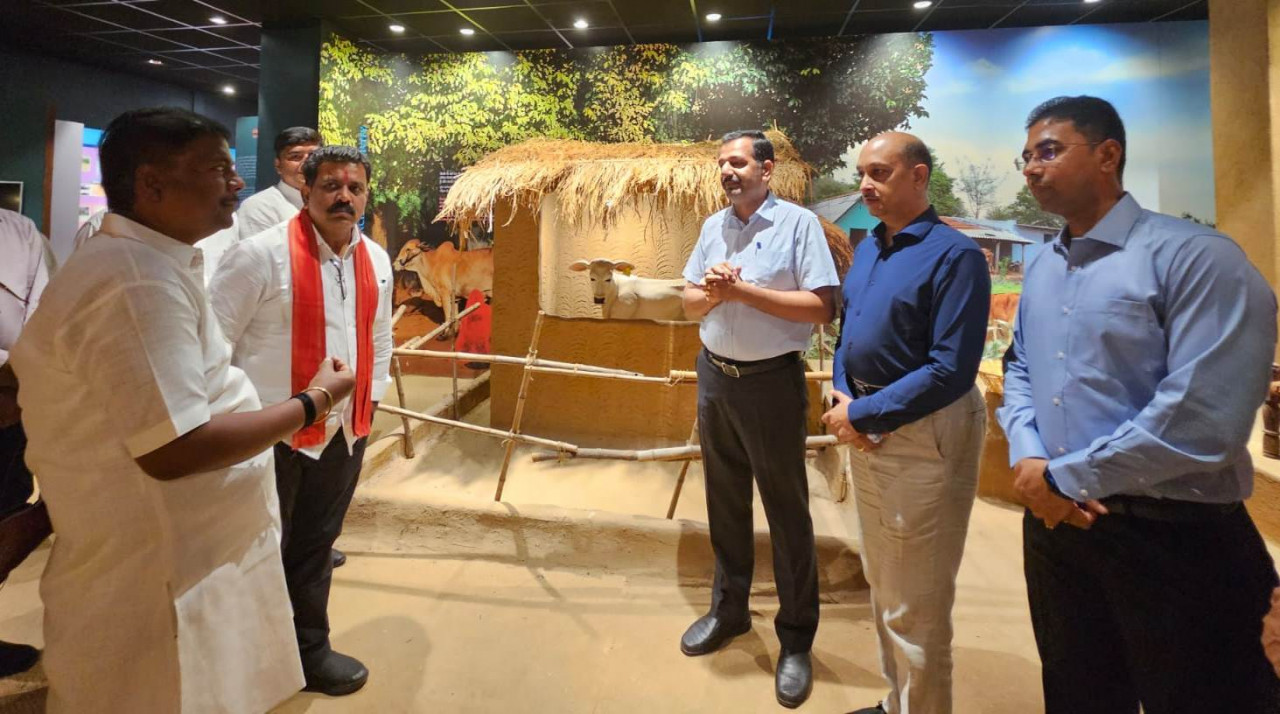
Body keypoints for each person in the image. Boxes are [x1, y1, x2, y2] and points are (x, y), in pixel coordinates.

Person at [9, 106, 355, 713]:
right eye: (218, 169)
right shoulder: (136, 282)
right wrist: (313, 402)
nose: (237, 182)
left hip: (192, 556)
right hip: (160, 572)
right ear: (152, 184)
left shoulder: (152, 266)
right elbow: (174, 447)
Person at [997, 95, 1280, 713]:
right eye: (1026, 157)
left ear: (1108, 155)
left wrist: (1065, 477)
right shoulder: (1042, 266)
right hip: (1058, 528)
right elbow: (1020, 367)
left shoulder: (1198, 258)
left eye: (1049, 151)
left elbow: (1203, 417)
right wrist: (1029, 455)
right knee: (1078, 693)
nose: (1032, 168)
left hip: (1173, 536)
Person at [209, 145, 393, 696]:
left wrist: (370, 402)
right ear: (306, 190)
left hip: (343, 431)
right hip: (270, 433)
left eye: (355, 188)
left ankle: (309, 651)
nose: (344, 197)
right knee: (256, 548)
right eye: (331, 186)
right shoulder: (259, 255)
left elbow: (379, 339)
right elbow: (213, 346)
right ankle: (244, 663)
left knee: (316, 545)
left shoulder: (375, 260)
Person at [822, 132, 990, 714]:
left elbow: (951, 369)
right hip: (867, 426)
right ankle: (897, 703)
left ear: (919, 176)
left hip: (924, 434)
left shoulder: (955, 256)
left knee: (917, 601)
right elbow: (847, 331)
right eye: (862, 173)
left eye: (880, 173)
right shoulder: (870, 247)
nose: (865, 184)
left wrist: (862, 414)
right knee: (884, 582)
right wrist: (846, 394)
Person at [679, 129, 839, 709]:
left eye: (739, 162)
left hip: (772, 383)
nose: (728, 171)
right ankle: (730, 612)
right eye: (722, 163)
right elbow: (688, 302)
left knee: (787, 512)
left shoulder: (798, 225)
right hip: (715, 377)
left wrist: (742, 292)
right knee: (724, 502)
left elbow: (822, 306)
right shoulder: (711, 227)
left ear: (767, 170)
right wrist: (715, 293)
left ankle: (795, 639)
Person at [0, 207, 55, 677]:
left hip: (11, 403)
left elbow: (43, 313)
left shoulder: (18, 231)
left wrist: (20, 376)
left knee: (7, 510)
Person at [237, 126, 322, 240]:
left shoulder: (335, 201)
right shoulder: (259, 206)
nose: (307, 163)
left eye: (313, 156)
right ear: (278, 165)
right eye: (296, 157)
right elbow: (260, 251)